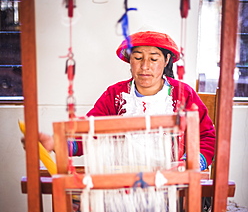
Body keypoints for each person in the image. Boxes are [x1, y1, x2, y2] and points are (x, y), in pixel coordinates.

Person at [38, 30, 215, 171]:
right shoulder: (115, 95)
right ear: (130, 60)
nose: (145, 66)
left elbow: (206, 137)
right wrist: (57, 143)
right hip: (123, 184)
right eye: (138, 58)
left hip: (170, 185)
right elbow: (91, 132)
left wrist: (186, 165)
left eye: (153, 59)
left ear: (166, 60)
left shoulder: (183, 94)